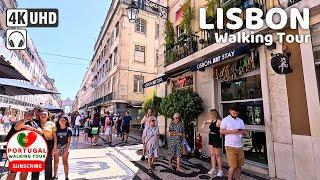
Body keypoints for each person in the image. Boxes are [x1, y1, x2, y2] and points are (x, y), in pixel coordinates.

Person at [5, 110, 42, 180]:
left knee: (25, 171)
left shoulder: (34, 123)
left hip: (28, 151)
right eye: (28, 114)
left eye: (31, 114)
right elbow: (17, 127)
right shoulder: (19, 122)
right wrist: (24, 122)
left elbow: (40, 132)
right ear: (24, 114)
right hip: (16, 150)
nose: (30, 115)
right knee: (13, 171)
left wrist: (31, 128)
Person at [220, 105, 245, 180]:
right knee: (233, 165)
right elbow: (221, 131)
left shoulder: (240, 121)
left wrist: (242, 132)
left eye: (237, 113)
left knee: (239, 165)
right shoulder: (225, 120)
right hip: (230, 145)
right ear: (230, 111)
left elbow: (244, 132)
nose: (236, 114)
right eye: (234, 113)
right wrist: (232, 131)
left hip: (239, 145)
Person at [202, 109, 223, 177]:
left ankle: (220, 170)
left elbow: (223, 128)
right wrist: (203, 124)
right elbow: (206, 121)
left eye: (211, 114)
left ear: (214, 114)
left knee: (218, 155)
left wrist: (221, 134)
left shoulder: (219, 121)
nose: (210, 115)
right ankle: (213, 169)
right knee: (212, 154)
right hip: (211, 138)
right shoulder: (212, 120)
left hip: (216, 138)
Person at [39, 109, 58, 180]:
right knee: (37, 162)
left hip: (48, 144)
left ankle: (48, 178)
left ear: (48, 116)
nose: (43, 115)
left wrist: (55, 147)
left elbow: (55, 136)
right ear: (39, 115)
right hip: (37, 144)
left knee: (48, 163)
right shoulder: (36, 123)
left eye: (45, 114)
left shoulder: (51, 124)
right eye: (42, 114)